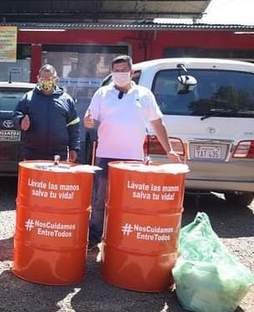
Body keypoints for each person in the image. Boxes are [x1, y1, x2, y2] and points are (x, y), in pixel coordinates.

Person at [84, 55, 182, 250]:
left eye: (123, 70)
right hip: (105, 156)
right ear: (111, 73)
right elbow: (90, 118)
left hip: (133, 160)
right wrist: (89, 122)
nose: (119, 74)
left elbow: (157, 123)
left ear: (132, 72)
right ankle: (94, 238)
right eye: (116, 70)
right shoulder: (102, 93)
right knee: (99, 200)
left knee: (129, 202)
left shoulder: (144, 95)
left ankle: (123, 239)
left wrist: (169, 150)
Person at [12, 64, 81, 161]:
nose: (46, 82)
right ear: (38, 79)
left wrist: (74, 148)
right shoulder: (28, 98)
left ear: (56, 79)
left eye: (49, 79)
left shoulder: (66, 100)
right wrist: (20, 121)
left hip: (59, 156)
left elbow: (74, 127)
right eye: (43, 79)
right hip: (32, 155)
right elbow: (15, 116)